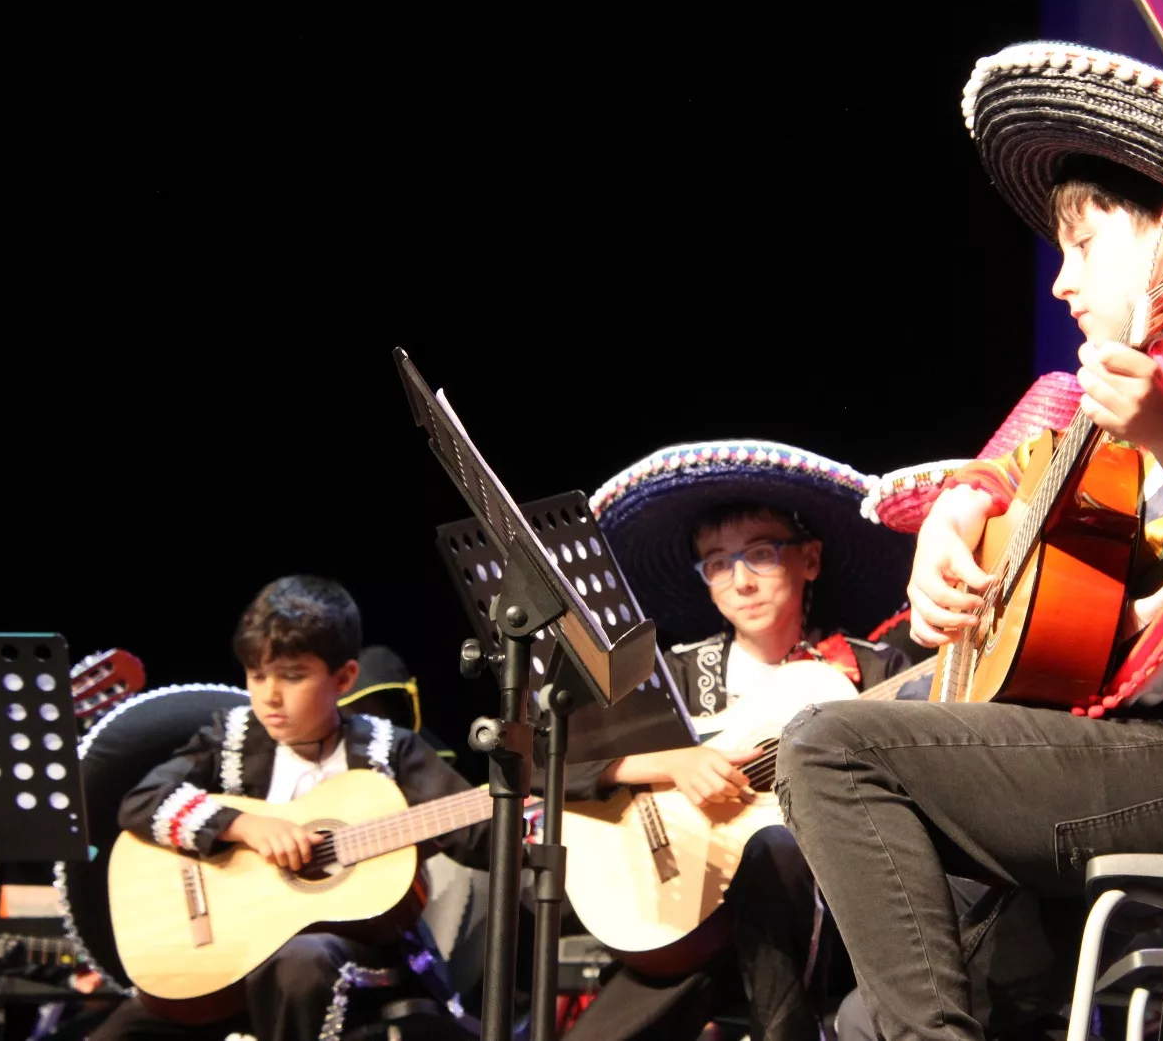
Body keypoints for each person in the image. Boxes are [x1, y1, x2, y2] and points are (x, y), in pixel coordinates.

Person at [777, 41, 1163, 1041]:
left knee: (831, 749)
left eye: (1084, 245)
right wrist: (958, 519)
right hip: (1135, 753)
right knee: (854, 1016)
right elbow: (1003, 473)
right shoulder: (1096, 426)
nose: (1060, 283)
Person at [559, 440, 916, 1041]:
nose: (741, 581)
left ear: (810, 560)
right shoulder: (672, 678)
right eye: (719, 563)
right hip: (687, 907)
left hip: (834, 927)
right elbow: (551, 760)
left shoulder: (876, 672)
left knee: (775, 848)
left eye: (761, 554)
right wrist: (672, 762)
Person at [89, 575, 491, 1041]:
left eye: (293, 677)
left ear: (343, 678)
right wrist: (243, 825)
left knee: (299, 962)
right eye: (257, 676)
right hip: (231, 952)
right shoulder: (235, 739)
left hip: (350, 962)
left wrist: (543, 808)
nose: (269, 696)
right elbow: (142, 801)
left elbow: (479, 832)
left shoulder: (389, 752)